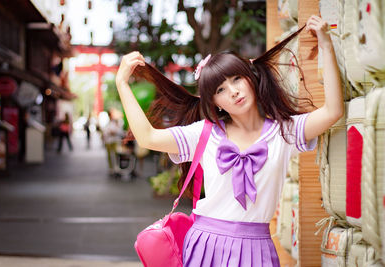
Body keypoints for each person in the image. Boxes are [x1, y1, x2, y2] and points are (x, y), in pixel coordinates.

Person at [115, 15, 343, 267]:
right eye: (220, 90)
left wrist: (326, 44)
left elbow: (333, 111)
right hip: (205, 245)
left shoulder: (284, 131)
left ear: (251, 78)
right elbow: (148, 137)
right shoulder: (204, 133)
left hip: (257, 248)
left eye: (236, 79)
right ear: (214, 103)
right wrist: (122, 83)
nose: (233, 91)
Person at [103, 110, 123, 175]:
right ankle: (111, 168)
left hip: (115, 140)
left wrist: (114, 132)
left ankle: (116, 167)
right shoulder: (108, 123)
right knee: (109, 155)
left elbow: (120, 131)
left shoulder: (117, 122)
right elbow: (105, 132)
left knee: (116, 154)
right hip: (109, 141)